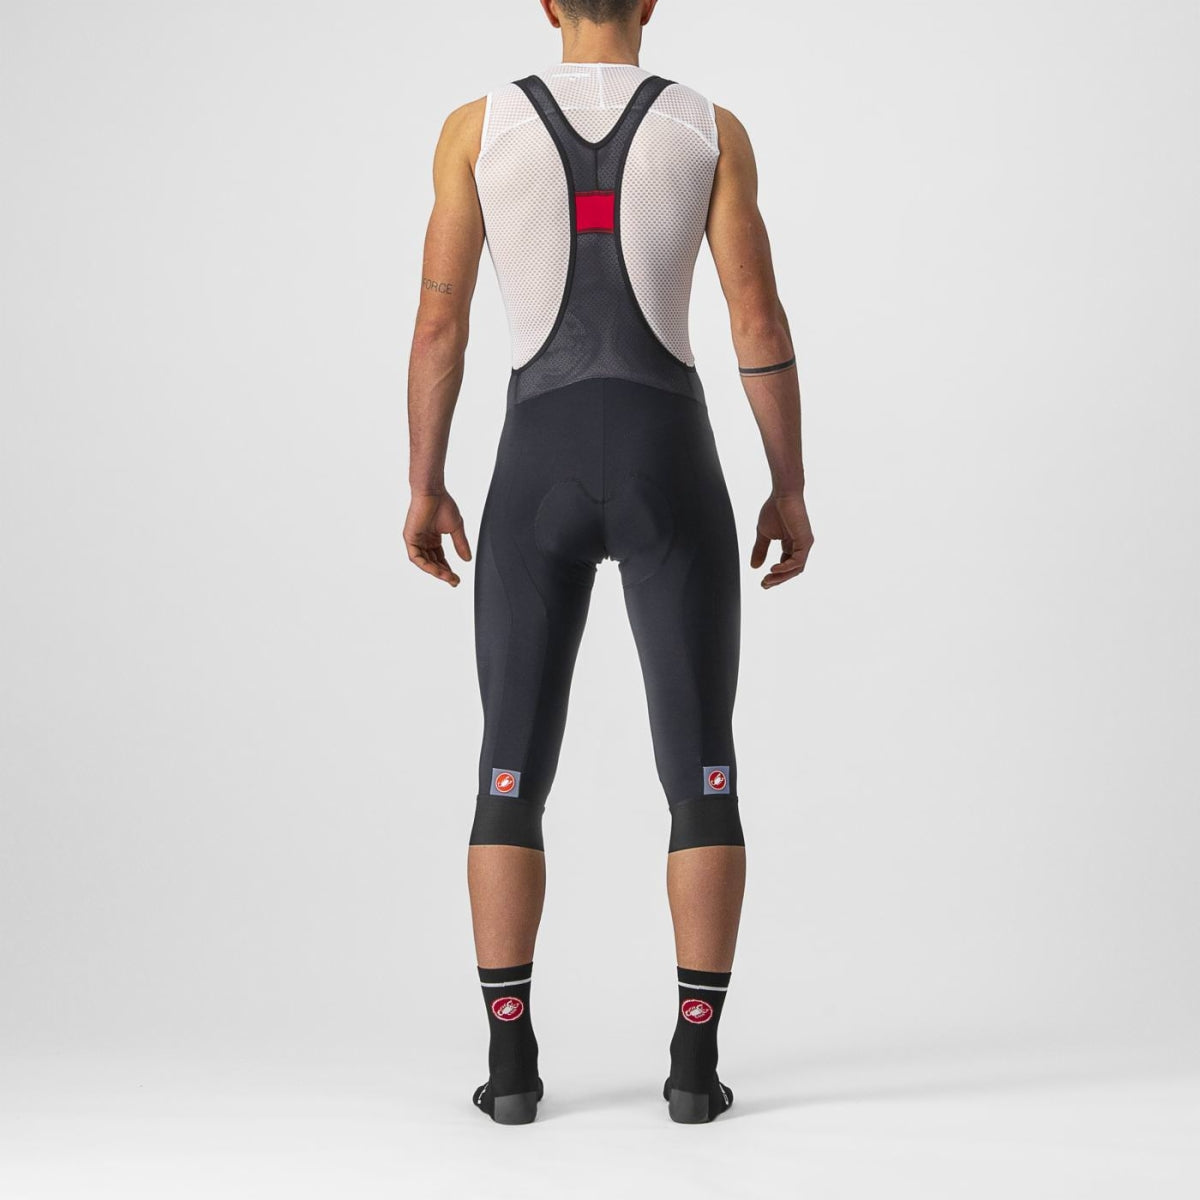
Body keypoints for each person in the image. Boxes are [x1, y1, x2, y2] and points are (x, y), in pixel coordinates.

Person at [404, 0, 813, 1125]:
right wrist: (788, 483)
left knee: (508, 770)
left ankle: (510, 1063)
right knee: (702, 770)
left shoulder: (476, 128)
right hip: (666, 459)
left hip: (533, 465)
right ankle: (694, 1066)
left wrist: (425, 482)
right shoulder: (708, 128)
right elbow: (757, 318)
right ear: (651, 2)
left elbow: (440, 325)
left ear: (547, 3)